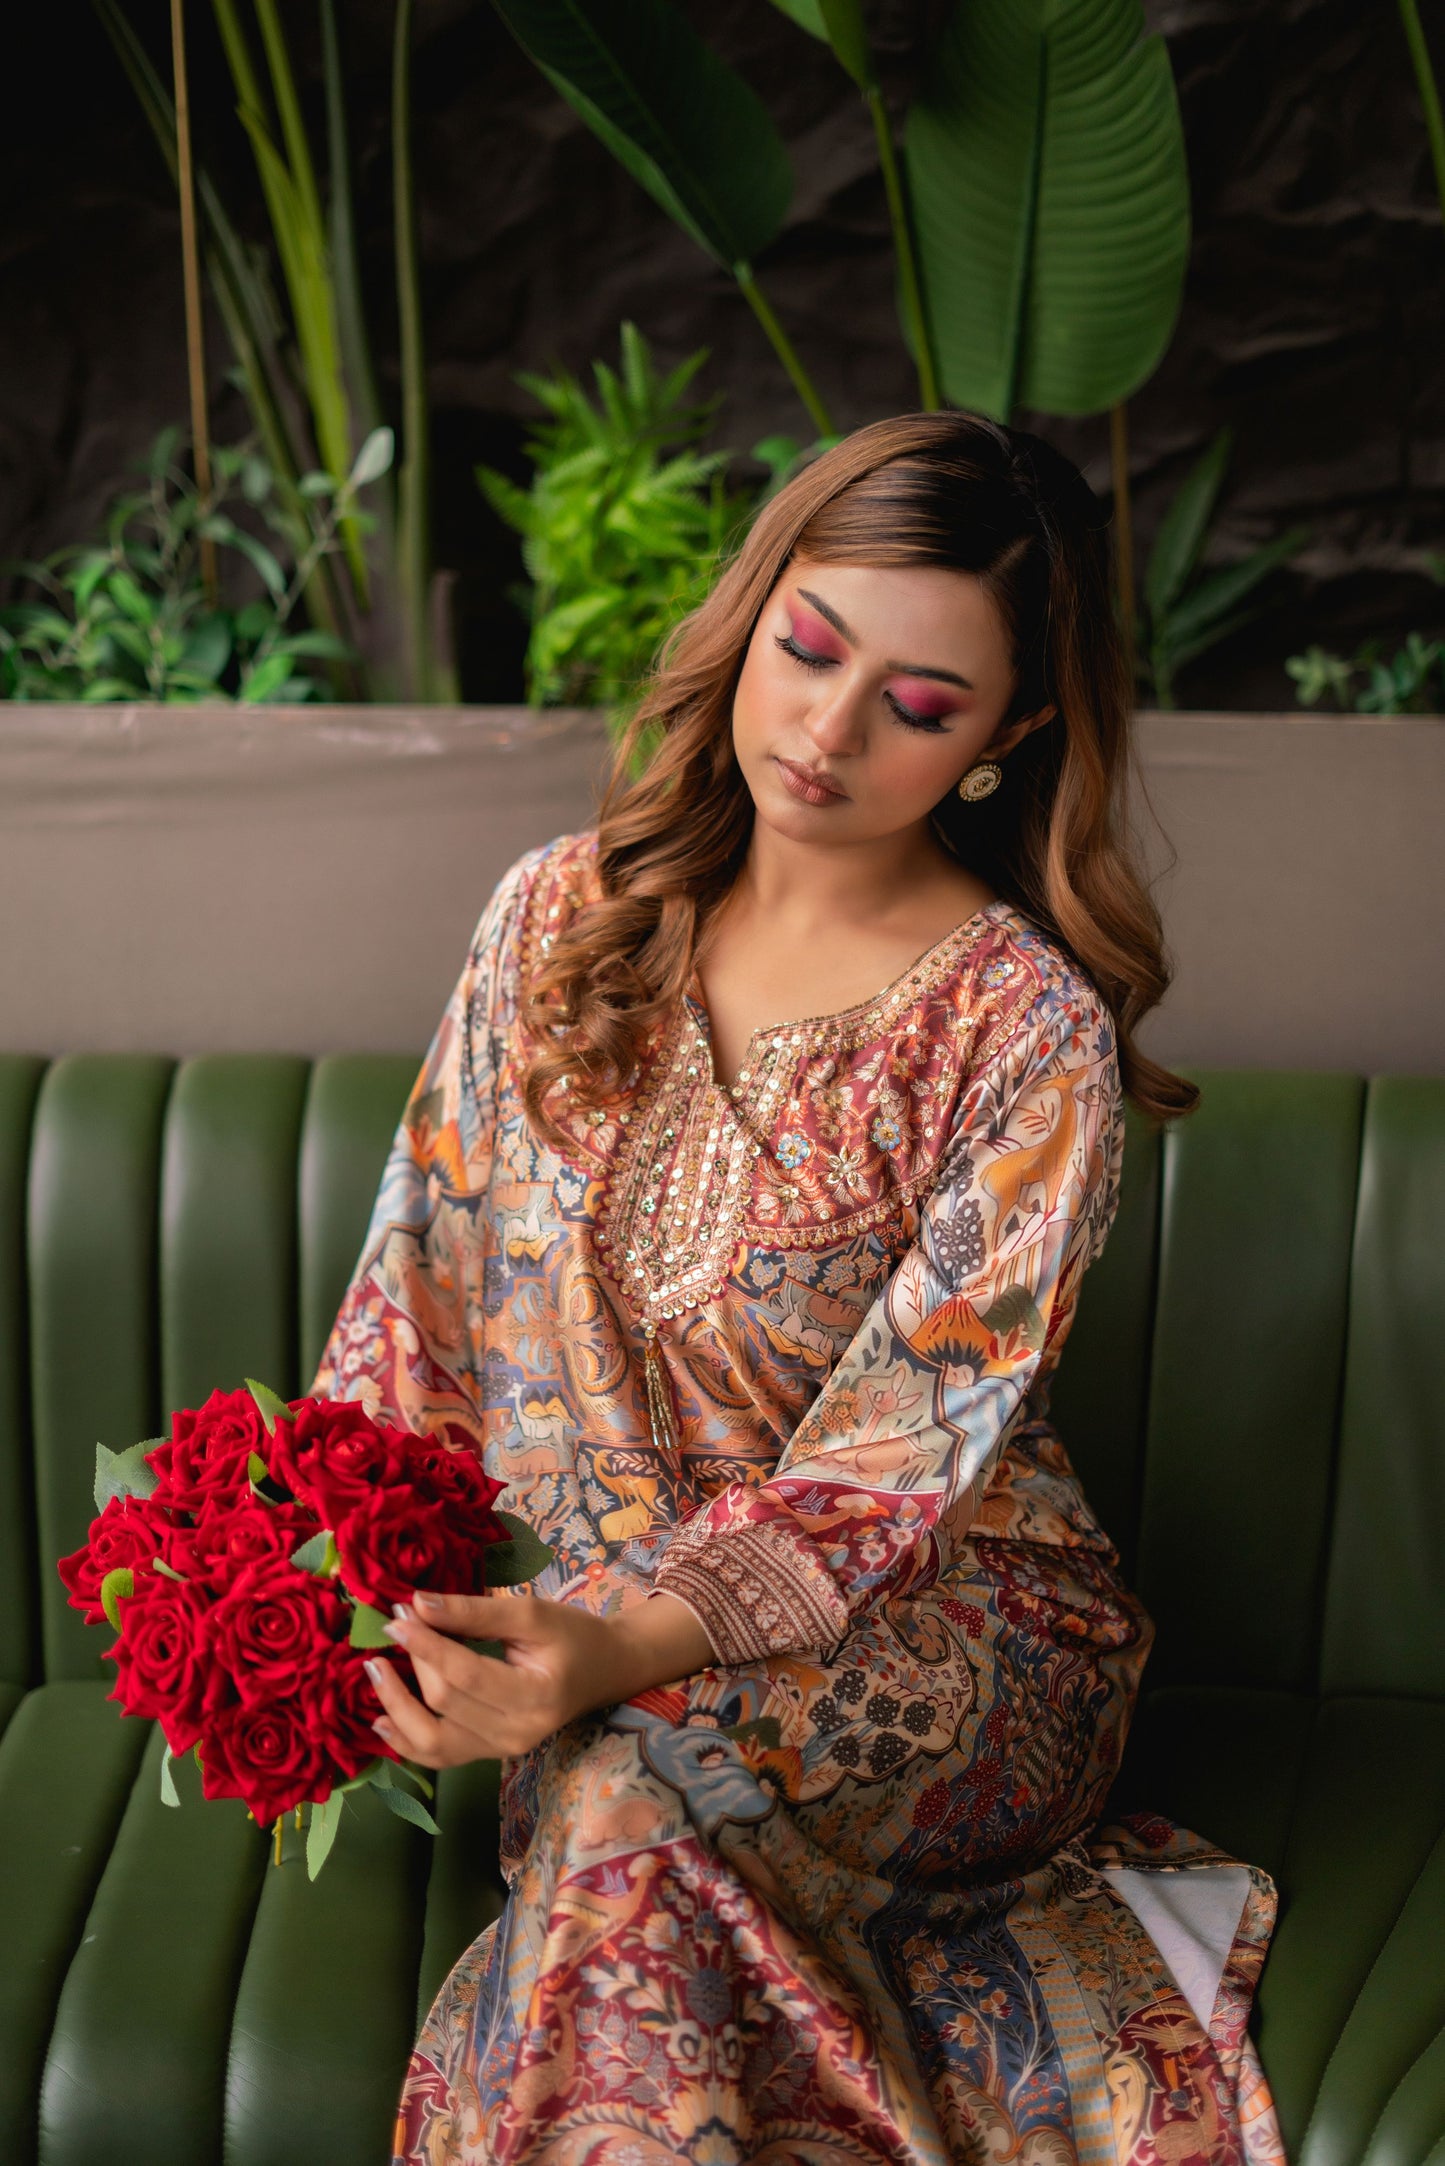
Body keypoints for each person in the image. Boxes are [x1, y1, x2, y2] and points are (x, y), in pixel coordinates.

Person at [315, 412, 1284, 2165]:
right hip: (582, 1638)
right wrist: (319, 1593)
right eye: (808, 646)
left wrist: (609, 1644)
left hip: (953, 1639)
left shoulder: (1020, 1031)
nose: (826, 732)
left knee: (626, 1775)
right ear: (749, 613)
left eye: (914, 703)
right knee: (628, 1794)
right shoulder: (555, 920)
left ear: (1006, 737)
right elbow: (413, 1319)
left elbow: (889, 1471)